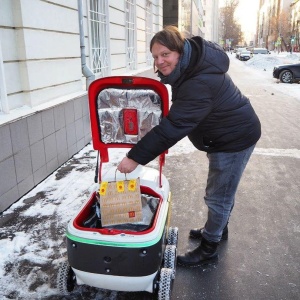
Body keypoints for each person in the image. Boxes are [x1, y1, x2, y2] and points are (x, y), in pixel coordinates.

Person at [117, 25, 261, 267]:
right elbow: (180, 116)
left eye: (165, 54)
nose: (160, 61)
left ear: (179, 51)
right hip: (227, 134)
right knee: (223, 190)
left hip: (233, 139)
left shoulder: (197, 81)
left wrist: (135, 157)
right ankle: (218, 228)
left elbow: (175, 125)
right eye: (155, 56)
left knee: (218, 196)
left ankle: (209, 247)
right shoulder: (192, 67)